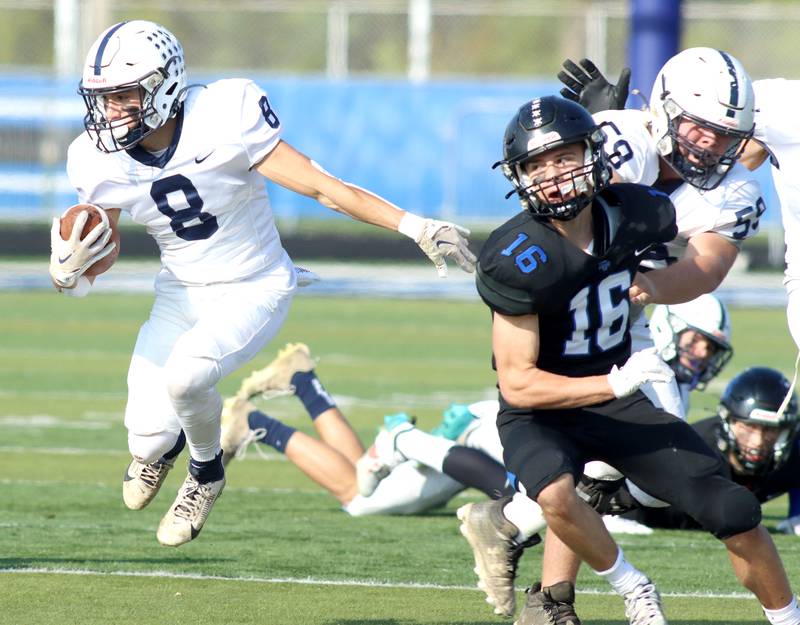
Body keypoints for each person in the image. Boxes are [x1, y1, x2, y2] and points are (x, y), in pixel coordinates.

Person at [47, 20, 476, 548]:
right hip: (180, 292)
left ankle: (205, 473)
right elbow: (102, 249)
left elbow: (323, 187)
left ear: (164, 85)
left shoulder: (225, 114)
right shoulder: (94, 157)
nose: (109, 112)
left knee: (186, 379)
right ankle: (161, 450)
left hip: (254, 284)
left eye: (122, 96)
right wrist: (70, 267)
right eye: (102, 99)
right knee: (147, 435)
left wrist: (414, 225)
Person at [458, 94, 798, 625]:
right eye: (536, 166)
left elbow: (700, 219)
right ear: (519, 178)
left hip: (617, 397)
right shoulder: (517, 256)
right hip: (547, 407)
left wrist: (752, 162)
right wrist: (616, 385)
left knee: (733, 509)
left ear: (596, 155)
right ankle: (633, 589)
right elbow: (519, 386)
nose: (552, 176)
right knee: (555, 491)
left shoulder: (634, 211)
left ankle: (789, 617)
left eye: (565, 157)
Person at [220, 342, 518, 517]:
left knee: (361, 478)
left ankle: (302, 381)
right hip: (487, 435)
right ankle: (253, 423)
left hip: (490, 424)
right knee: (360, 500)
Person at [614, 367, 800, 534]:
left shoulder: (791, 452)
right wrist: (620, 515)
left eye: (770, 430)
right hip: (648, 518)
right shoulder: (696, 449)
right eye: (749, 427)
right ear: (729, 420)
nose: (758, 441)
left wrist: (796, 515)